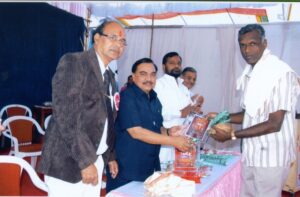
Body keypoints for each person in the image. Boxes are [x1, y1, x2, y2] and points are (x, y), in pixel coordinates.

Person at [37, 19, 127, 197]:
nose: (118, 44)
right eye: (113, 38)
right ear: (97, 38)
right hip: (69, 161)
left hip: (96, 159)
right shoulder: (75, 62)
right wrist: (85, 162)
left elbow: (107, 119)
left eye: (122, 41)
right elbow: (66, 116)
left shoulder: (110, 76)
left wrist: (110, 156)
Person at [209, 24, 300, 197]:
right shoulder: (253, 72)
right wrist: (222, 116)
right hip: (251, 154)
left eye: (253, 44)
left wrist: (232, 136)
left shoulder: (280, 73)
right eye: (242, 45)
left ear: (264, 44)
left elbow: (274, 124)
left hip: (271, 158)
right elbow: (249, 115)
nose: (247, 50)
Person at [106, 58, 192, 192]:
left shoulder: (154, 97)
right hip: (127, 168)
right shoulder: (127, 96)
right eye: (143, 74)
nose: (149, 78)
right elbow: (136, 132)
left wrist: (169, 131)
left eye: (152, 74)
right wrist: (173, 141)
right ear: (133, 76)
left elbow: (156, 128)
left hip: (149, 167)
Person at [154, 52, 203, 164]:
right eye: (172, 63)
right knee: (164, 172)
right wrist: (180, 113)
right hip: (165, 140)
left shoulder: (182, 86)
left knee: (180, 175)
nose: (176, 66)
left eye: (179, 63)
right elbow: (156, 112)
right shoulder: (158, 84)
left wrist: (195, 109)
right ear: (163, 66)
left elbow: (188, 110)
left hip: (183, 141)